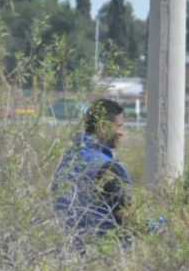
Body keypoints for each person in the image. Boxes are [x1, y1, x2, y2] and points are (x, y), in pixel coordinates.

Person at [51, 98, 131, 244]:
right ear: (102, 127)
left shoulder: (69, 158)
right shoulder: (108, 167)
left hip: (67, 246)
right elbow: (127, 218)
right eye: (119, 127)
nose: (122, 133)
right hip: (102, 250)